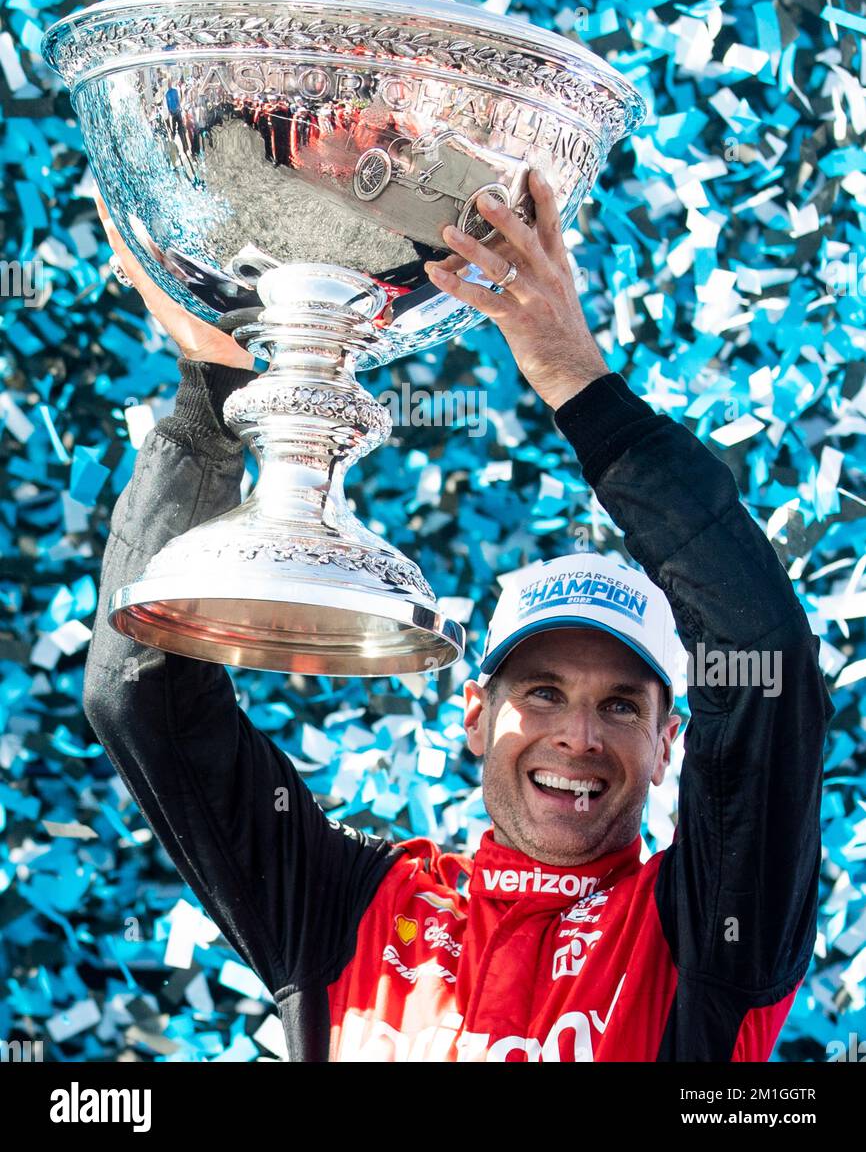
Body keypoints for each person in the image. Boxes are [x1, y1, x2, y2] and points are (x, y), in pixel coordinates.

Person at [85, 171, 834, 1062]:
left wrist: (577, 381)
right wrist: (215, 394)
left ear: (670, 742)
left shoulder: (706, 934)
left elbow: (764, 657)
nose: (578, 737)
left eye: (623, 705)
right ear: (475, 714)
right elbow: (141, 695)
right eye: (544, 692)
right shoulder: (349, 907)